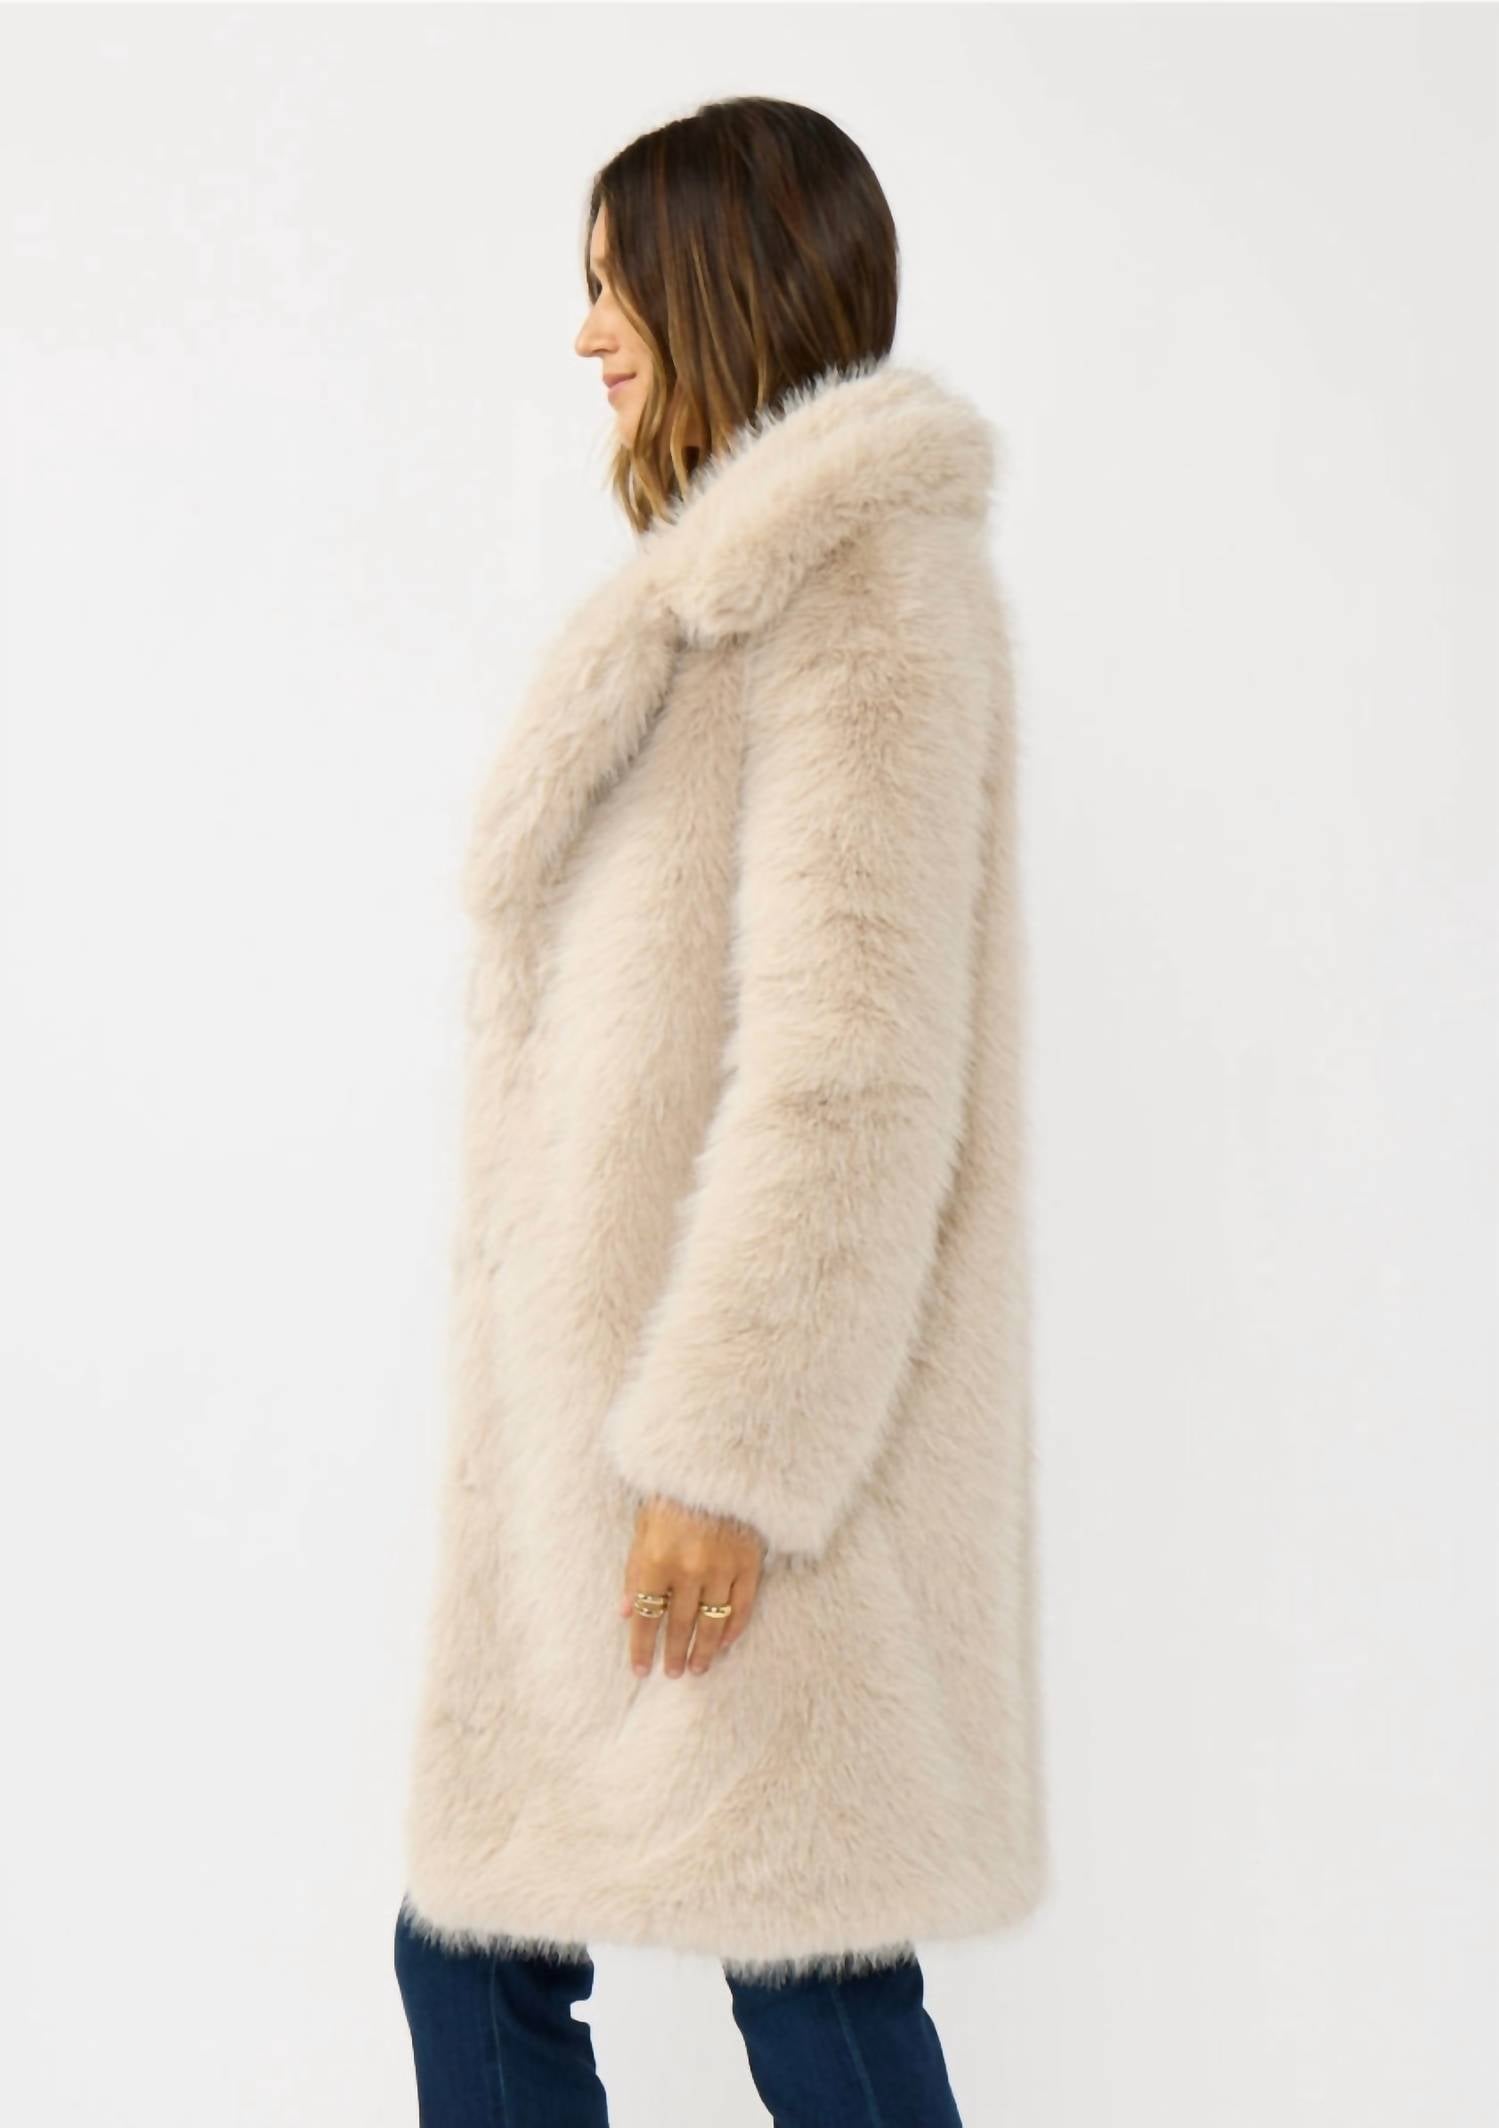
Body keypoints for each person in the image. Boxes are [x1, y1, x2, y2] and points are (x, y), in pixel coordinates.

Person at [393, 94, 1048, 2126]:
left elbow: (856, 1070)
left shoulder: (861, 594)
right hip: (602, 1448)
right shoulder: (724, 603)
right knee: (494, 1934)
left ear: (723, 284)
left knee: (807, 1974)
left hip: (739, 1465)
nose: (589, 332)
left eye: (617, 284)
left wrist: (732, 1453)